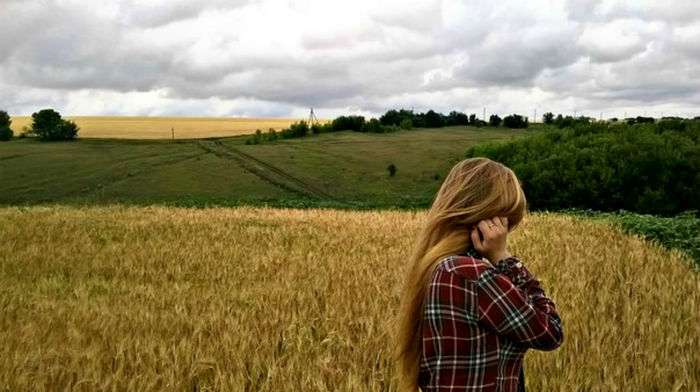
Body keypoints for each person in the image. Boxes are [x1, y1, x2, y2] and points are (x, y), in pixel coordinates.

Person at [393, 157, 564, 391]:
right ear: (488, 218)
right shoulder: (472, 274)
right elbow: (550, 331)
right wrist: (504, 258)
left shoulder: (435, 266)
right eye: (506, 220)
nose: (508, 229)